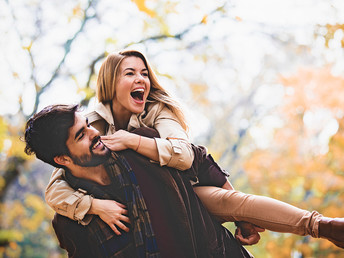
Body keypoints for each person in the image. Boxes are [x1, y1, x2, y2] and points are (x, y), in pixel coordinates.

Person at [45, 50, 344, 248]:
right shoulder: (89, 125)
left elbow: (189, 155)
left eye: (145, 73)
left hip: (181, 190)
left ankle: (322, 225)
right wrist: (95, 206)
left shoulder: (157, 112)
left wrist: (133, 140)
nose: (142, 80)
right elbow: (55, 189)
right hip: (140, 207)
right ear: (111, 82)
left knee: (234, 202)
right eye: (130, 73)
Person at [24, 104, 254, 258]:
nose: (93, 132)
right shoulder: (70, 223)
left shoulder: (136, 146)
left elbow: (198, 160)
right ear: (62, 158)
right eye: (80, 135)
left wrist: (242, 217)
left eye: (87, 124)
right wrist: (94, 207)